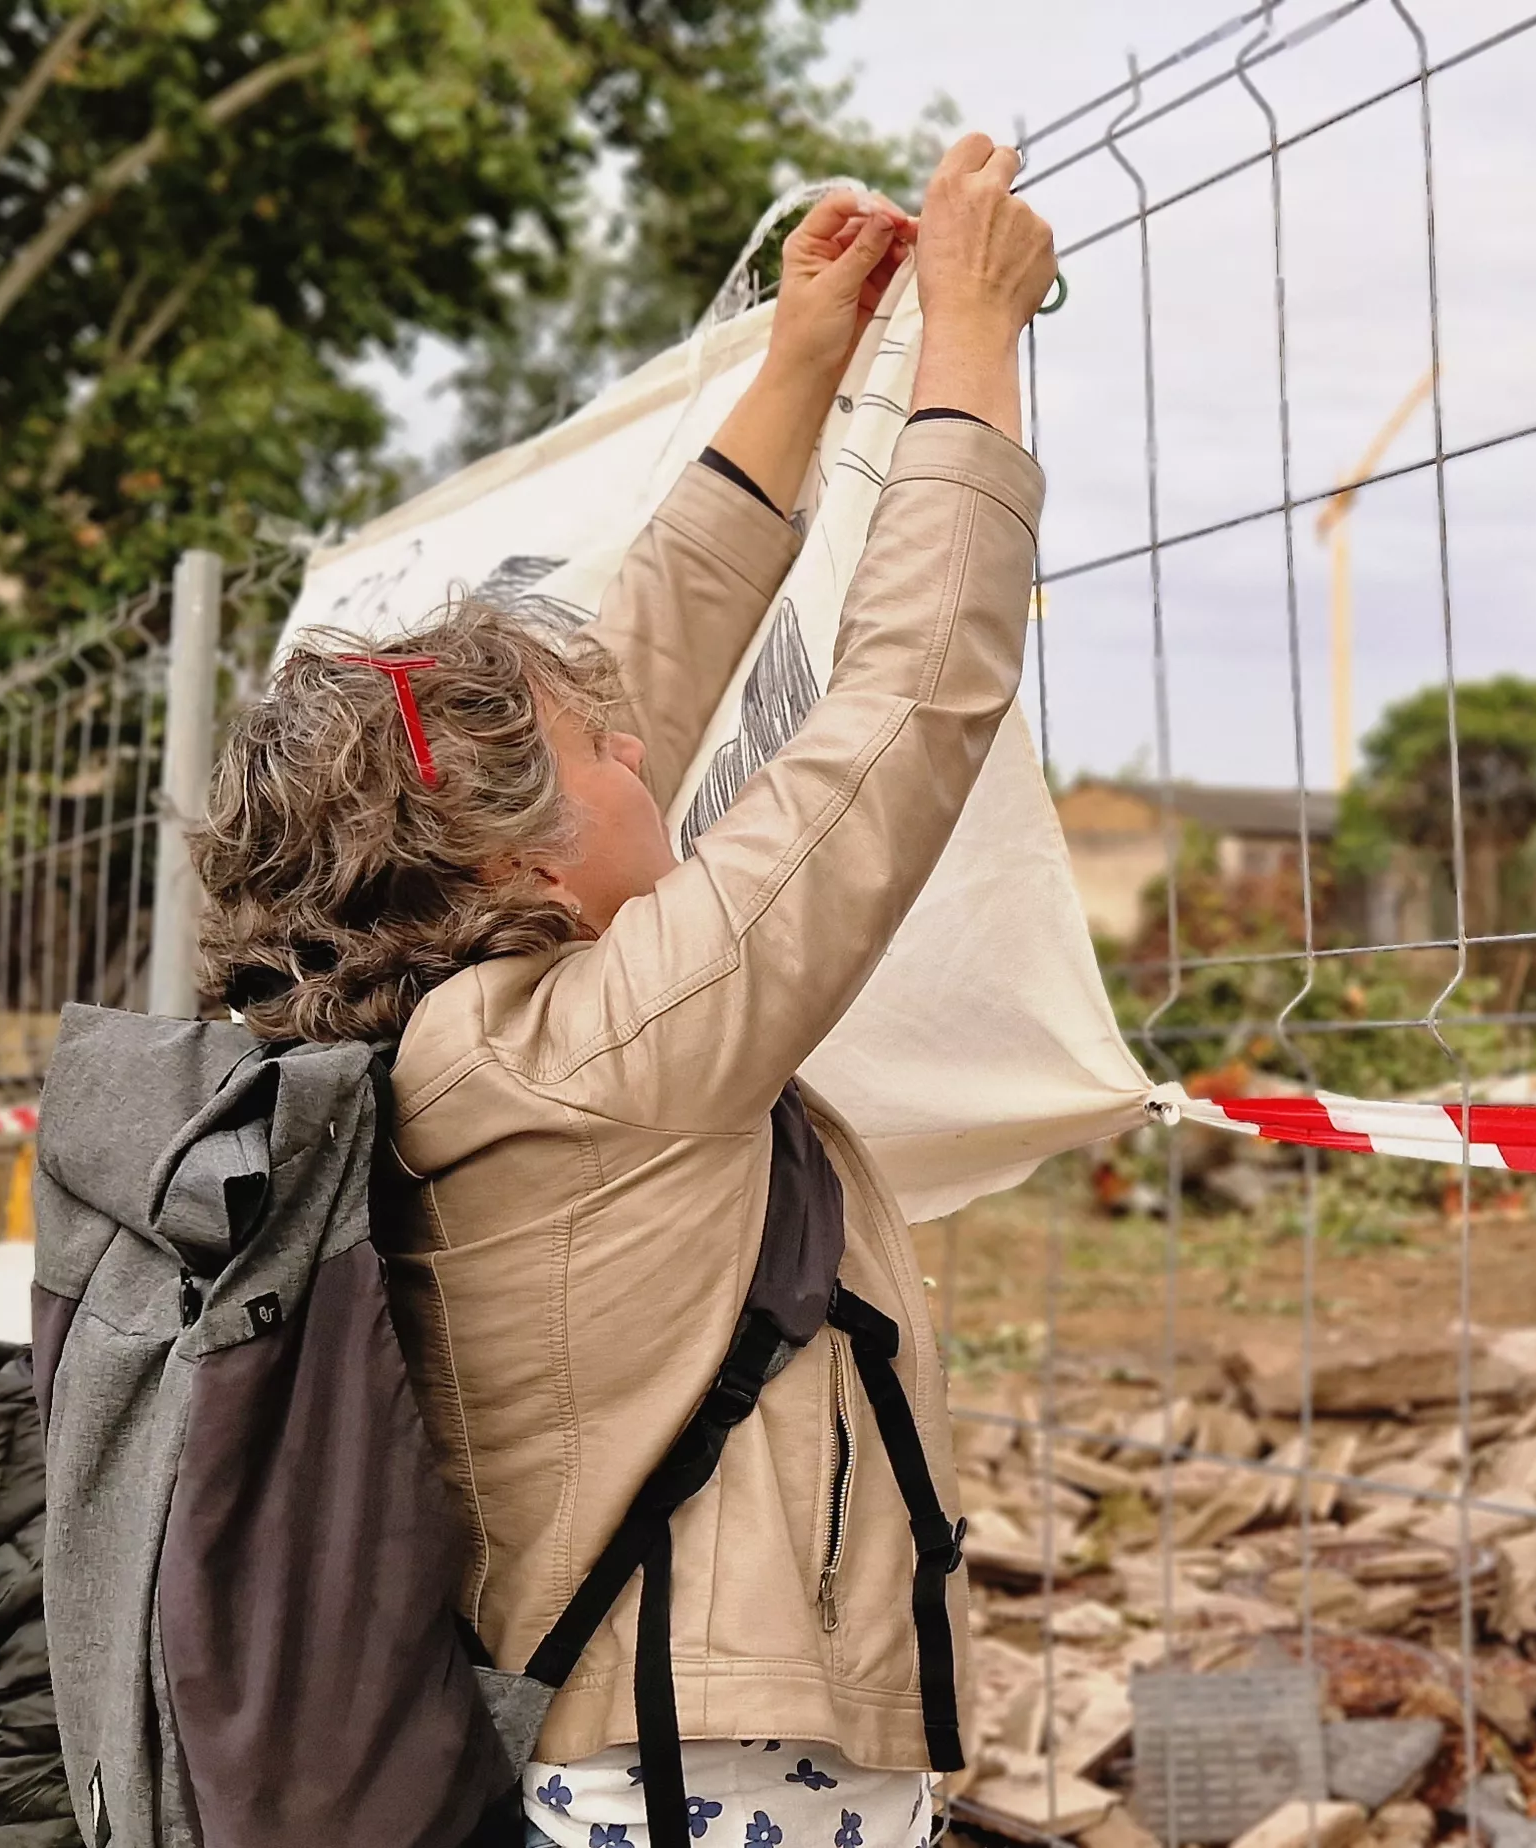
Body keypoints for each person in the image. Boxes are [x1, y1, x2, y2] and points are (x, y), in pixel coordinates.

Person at [188, 133, 1055, 1848]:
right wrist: (971, 331)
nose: (648, 749)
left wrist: (802, 367)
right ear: (517, 858)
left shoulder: (436, 1030)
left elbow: (618, 669)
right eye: (609, 755)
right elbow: (902, 709)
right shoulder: (611, 1049)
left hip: (600, 1751)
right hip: (708, 1782)